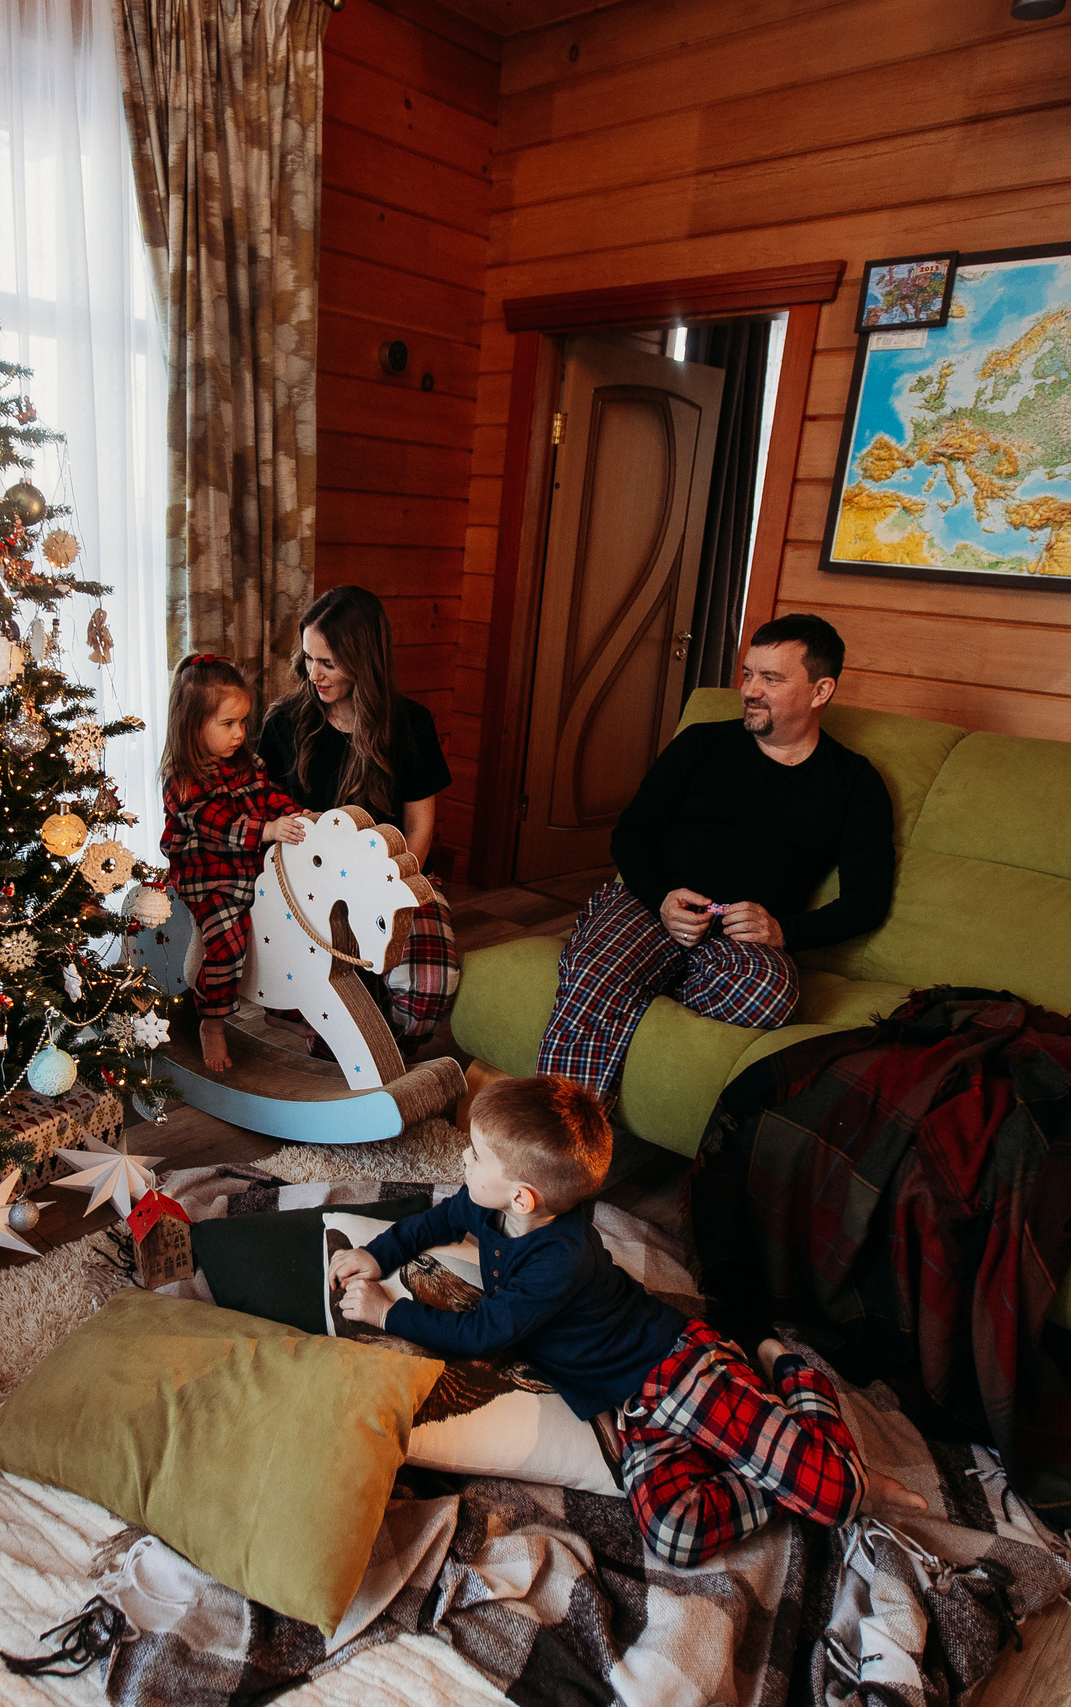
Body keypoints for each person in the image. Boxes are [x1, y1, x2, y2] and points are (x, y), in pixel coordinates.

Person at [333, 1073, 923, 1565]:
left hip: (677, 1368)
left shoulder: (558, 1262)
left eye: (476, 1154)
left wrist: (392, 1314)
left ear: (523, 1198)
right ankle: (783, 1462)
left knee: (838, 1493)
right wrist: (378, 1254)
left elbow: (482, 1333)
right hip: (631, 1405)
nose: (462, 1157)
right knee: (674, 1536)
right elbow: (433, 1223)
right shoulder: (489, 1209)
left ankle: (790, 1375)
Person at [534, 613, 895, 1100]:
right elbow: (632, 832)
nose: (749, 689)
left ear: (820, 690)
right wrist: (661, 897)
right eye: (747, 673)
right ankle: (544, 1150)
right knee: (598, 978)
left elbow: (867, 900)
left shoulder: (854, 783)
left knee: (769, 995)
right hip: (653, 904)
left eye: (771, 678)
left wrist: (784, 930)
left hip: (741, 939)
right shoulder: (703, 743)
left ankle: (635, 979)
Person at [256, 585, 459, 1048]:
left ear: (365, 660)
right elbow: (263, 815)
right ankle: (329, 1020)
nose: (314, 675)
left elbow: (419, 831)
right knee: (329, 1013)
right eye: (308, 658)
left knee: (428, 990)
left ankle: (373, 1030)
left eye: (328, 663)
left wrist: (387, 891)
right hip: (309, 888)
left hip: (391, 881)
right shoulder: (284, 724)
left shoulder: (410, 725)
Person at [160, 653, 312, 1073]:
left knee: (290, 923)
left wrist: (295, 814)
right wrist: (267, 831)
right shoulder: (182, 778)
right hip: (207, 875)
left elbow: (268, 796)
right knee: (228, 936)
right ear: (193, 725)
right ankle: (211, 1021)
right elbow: (217, 825)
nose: (239, 734)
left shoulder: (246, 762)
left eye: (243, 722)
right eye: (227, 724)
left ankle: (283, 1008)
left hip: (251, 868)